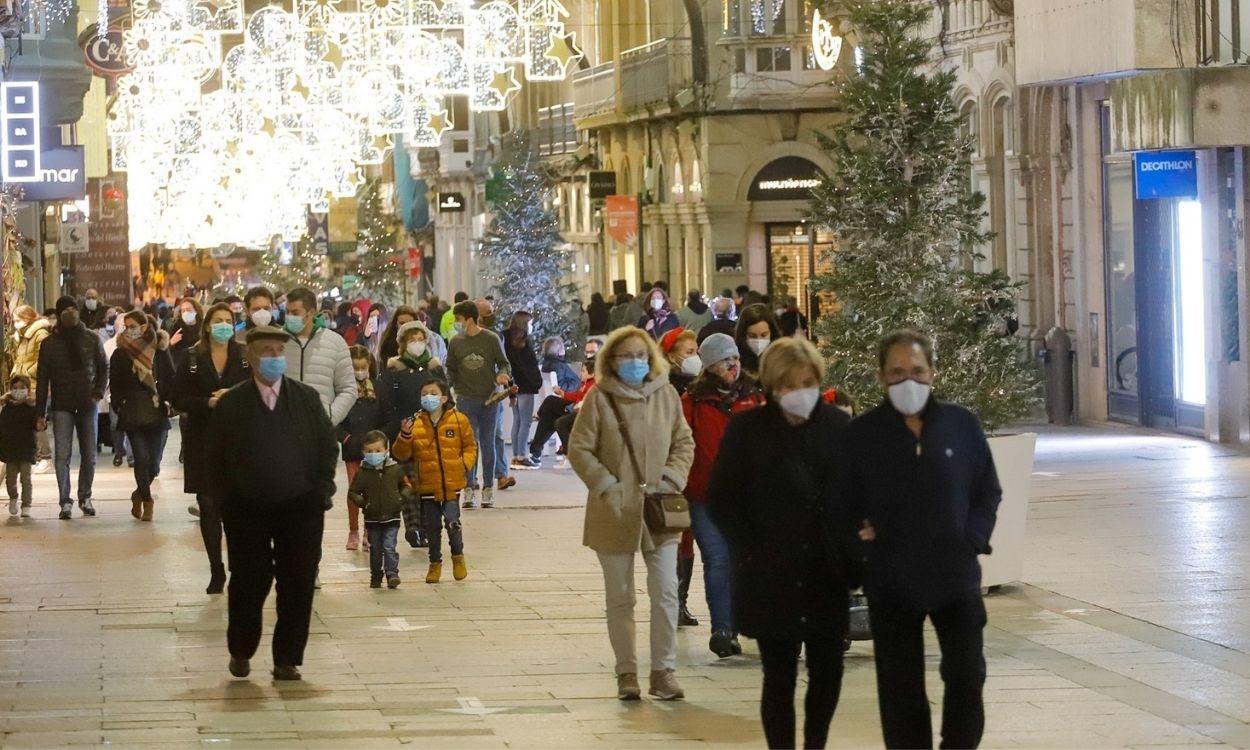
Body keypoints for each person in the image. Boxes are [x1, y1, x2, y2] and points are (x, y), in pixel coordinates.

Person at [843, 331, 1001, 750]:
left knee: (968, 678)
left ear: (933, 373)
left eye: (916, 371)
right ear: (880, 376)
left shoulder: (961, 425)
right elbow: (841, 500)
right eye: (896, 372)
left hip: (956, 578)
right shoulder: (862, 435)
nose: (907, 380)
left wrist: (973, 538)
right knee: (900, 689)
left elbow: (988, 490)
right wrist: (861, 540)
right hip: (892, 582)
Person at [707, 337, 855, 750]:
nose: (799, 393)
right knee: (779, 674)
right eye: (789, 385)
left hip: (826, 572)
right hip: (771, 573)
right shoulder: (748, 430)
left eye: (807, 383)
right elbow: (722, 499)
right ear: (772, 387)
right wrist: (750, 549)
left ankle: (816, 744)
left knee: (828, 671)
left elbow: (857, 493)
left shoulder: (838, 427)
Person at [567, 326, 694, 702]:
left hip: (660, 507)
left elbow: (684, 441)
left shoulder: (666, 395)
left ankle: (663, 670)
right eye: (626, 356)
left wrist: (671, 478)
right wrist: (608, 485)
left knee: (666, 592)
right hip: (614, 509)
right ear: (611, 361)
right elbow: (580, 448)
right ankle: (626, 672)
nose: (635, 362)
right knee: (621, 597)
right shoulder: (599, 398)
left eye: (641, 355)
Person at [207, 326, 338, 682]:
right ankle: (241, 648)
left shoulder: (306, 399)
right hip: (247, 510)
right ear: (250, 357)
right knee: (249, 580)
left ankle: (287, 658)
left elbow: (328, 446)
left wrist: (321, 489)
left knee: (298, 581)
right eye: (267, 351)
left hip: (300, 508)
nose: (275, 358)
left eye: (280, 351)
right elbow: (215, 457)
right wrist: (225, 501)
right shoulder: (232, 404)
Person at [681, 333, 768, 654]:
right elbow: (683, 444)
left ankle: (753, 621)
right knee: (718, 559)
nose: (732, 365)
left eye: (734, 359)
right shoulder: (693, 401)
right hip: (705, 496)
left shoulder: (755, 397)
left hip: (750, 497)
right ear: (709, 366)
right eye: (723, 361)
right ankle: (723, 629)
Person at [172, 302, 251, 593]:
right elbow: (177, 398)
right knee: (208, 504)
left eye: (228, 321)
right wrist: (206, 402)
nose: (223, 326)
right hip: (201, 439)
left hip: (237, 440)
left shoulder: (243, 356)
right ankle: (216, 568)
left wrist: (232, 395)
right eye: (217, 321)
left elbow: (258, 389)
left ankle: (236, 565)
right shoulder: (192, 357)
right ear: (207, 325)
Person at [392, 379, 475, 584]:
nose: (428, 397)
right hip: (427, 485)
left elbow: (470, 446)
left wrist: (463, 465)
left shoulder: (459, 420)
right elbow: (400, 453)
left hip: (451, 484)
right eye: (424, 394)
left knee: (453, 522)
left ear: (444, 397)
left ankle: (458, 557)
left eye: (433, 393)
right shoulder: (415, 422)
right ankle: (434, 563)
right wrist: (405, 435)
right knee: (432, 527)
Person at [36, 296, 108, 520]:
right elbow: (42, 379)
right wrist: (40, 413)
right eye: (65, 310)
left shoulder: (91, 338)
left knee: (89, 454)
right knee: (62, 455)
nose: (71, 312)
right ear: (58, 315)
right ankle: (65, 501)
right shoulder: (49, 344)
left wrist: (97, 392)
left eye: (73, 308)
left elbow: (103, 367)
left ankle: (85, 496)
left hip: (88, 403)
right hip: (62, 405)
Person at [110, 310, 176, 522]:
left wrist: (167, 400)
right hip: (132, 411)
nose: (129, 330)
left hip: (156, 409)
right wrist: (120, 405)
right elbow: (116, 384)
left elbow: (169, 377)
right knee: (141, 457)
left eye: (133, 326)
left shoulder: (159, 350)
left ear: (145, 326)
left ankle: (138, 493)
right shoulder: (120, 354)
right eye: (126, 326)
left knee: (154, 463)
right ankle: (147, 501)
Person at [445, 300, 512, 509]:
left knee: (488, 443)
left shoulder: (491, 339)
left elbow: (503, 363)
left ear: (470, 319)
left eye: (458, 319)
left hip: (489, 399)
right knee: (468, 444)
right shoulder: (455, 342)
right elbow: (451, 369)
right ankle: (468, 487)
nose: (456, 323)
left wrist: (502, 374)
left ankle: (488, 488)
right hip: (465, 399)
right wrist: (445, 391)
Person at [281, 287, 358, 427]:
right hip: (284, 429)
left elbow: (348, 389)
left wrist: (329, 418)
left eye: (295, 313)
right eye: (287, 312)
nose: (289, 317)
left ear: (310, 313)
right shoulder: (278, 342)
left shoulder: (335, 343)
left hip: (321, 431)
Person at [339, 345, 388, 551]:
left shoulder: (379, 388)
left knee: (373, 493)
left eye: (362, 367)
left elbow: (387, 416)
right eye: (354, 368)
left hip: (375, 449)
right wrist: (346, 437)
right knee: (354, 491)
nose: (359, 372)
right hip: (352, 448)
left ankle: (370, 530)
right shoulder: (342, 390)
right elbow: (335, 418)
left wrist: (380, 440)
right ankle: (353, 530)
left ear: (369, 366)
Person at [348, 431, 408, 589]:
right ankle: (376, 575)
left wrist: (400, 500)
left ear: (386, 451)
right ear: (363, 453)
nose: (373, 454)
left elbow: (406, 486)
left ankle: (392, 573)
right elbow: (353, 492)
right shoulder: (362, 473)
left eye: (377, 451)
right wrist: (364, 503)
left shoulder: (395, 469)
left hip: (392, 516)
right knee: (375, 548)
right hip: (372, 517)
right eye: (369, 451)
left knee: (389, 546)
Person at [529, 338, 597, 465]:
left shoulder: (597, 377)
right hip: (575, 405)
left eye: (592, 351)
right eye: (587, 351)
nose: (588, 354)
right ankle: (536, 452)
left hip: (584, 411)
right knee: (550, 408)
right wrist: (564, 392)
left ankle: (536, 452)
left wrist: (566, 393)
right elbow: (578, 392)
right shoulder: (572, 370)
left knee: (551, 412)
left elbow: (586, 396)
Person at [11, 305, 52, 473]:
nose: (15, 323)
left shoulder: (40, 334)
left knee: (37, 419)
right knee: (26, 420)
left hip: (35, 383)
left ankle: (46, 457)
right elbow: (20, 358)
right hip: (22, 383)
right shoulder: (20, 336)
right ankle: (36, 455)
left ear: (27, 318)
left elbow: (43, 359)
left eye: (17, 320)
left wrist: (27, 372)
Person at [503, 311, 542, 471]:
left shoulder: (506, 340)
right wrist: (535, 382)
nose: (531, 326)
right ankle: (521, 456)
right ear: (524, 324)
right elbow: (530, 366)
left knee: (518, 420)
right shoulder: (524, 343)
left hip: (513, 384)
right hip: (526, 386)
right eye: (530, 323)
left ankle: (516, 455)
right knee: (525, 422)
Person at [1, 375, 37, 517]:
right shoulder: (7, 408)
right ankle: (13, 497)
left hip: (27, 448)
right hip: (10, 449)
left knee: (26, 478)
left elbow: (37, 425)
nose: (18, 391)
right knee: (10, 479)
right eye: (15, 388)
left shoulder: (31, 408)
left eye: (22, 388)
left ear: (28, 390)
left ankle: (26, 504)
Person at [736, 303, 782, 377]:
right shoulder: (736, 363)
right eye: (752, 336)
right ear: (743, 335)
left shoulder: (781, 360)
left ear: (772, 333)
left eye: (764, 335)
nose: (759, 340)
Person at [659, 328, 699, 396]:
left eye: (696, 352)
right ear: (672, 357)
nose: (696, 357)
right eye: (689, 352)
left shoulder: (700, 383)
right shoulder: (665, 388)